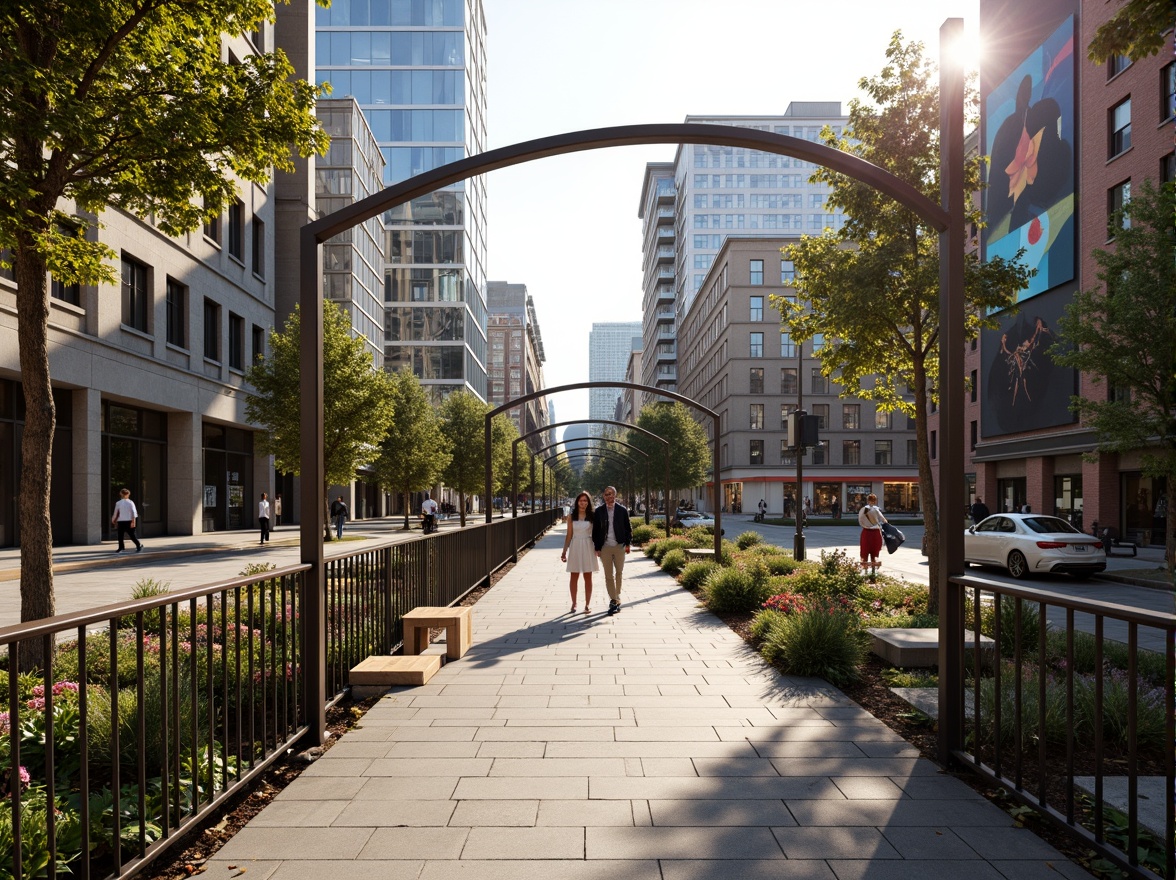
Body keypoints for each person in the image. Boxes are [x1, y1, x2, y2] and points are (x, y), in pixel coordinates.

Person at [593, 485, 632, 616]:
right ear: (604, 496)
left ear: (615, 495)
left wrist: (627, 544)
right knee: (608, 575)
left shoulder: (622, 510)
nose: (608, 496)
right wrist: (597, 547)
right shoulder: (599, 511)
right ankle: (614, 600)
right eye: (606, 494)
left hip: (619, 546)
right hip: (605, 548)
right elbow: (596, 531)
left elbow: (628, 528)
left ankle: (617, 596)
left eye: (611, 494)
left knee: (619, 573)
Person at [560, 491, 598, 613]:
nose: (583, 503)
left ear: (588, 502)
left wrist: (599, 548)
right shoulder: (572, 516)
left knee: (588, 576)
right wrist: (564, 551)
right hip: (575, 545)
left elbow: (597, 534)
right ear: (577, 502)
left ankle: (587, 604)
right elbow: (569, 535)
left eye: (585, 500)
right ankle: (574, 603)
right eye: (581, 500)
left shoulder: (593, 516)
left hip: (588, 545)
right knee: (574, 575)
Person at [858, 493, 888, 577]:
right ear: (875, 501)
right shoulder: (877, 510)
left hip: (866, 532)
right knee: (875, 552)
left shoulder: (863, 509)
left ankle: (865, 572)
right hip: (875, 533)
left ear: (867, 500)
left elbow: (860, 521)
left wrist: (867, 526)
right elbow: (884, 520)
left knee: (864, 551)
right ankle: (874, 573)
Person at [110, 487, 143, 553]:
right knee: (131, 535)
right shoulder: (130, 502)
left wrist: (113, 519)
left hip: (121, 521)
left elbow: (115, 512)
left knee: (121, 535)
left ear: (121, 494)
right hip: (128, 521)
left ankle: (121, 547)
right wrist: (133, 522)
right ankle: (137, 546)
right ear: (128, 494)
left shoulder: (118, 503)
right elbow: (134, 512)